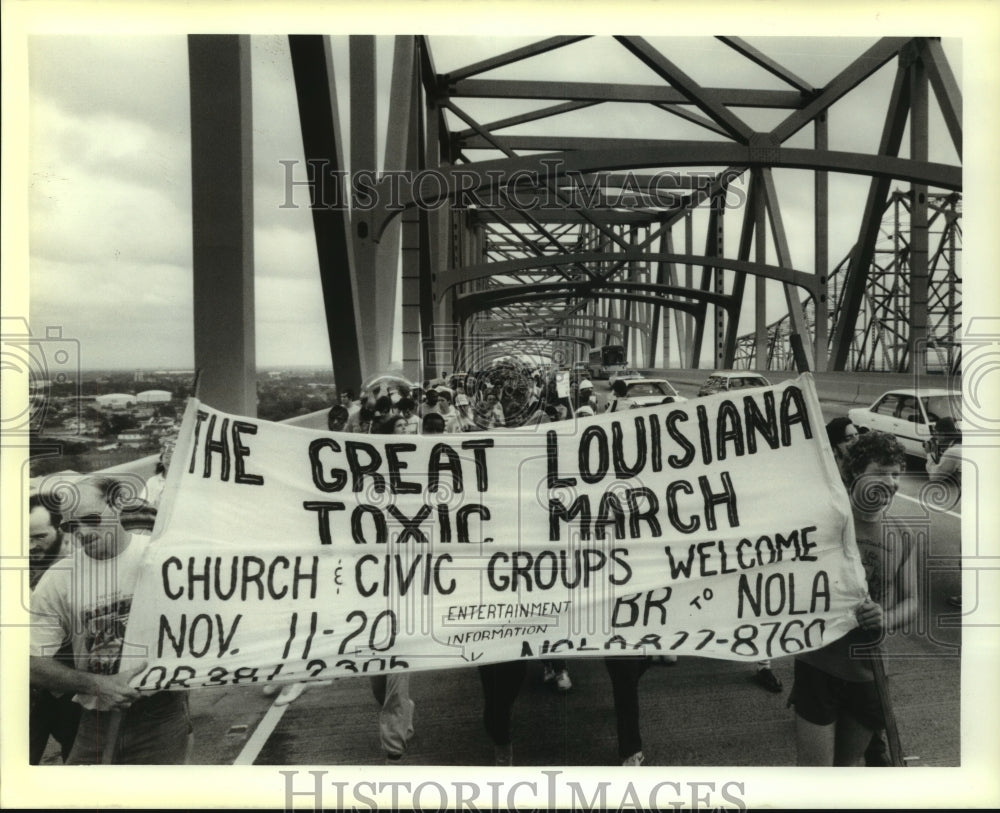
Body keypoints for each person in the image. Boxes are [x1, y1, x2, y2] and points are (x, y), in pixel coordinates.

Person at [30, 476, 192, 764]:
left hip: (160, 711)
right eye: (71, 526)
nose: (82, 531)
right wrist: (96, 684)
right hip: (95, 718)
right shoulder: (58, 579)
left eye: (91, 519)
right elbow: (27, 661)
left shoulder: (162, 557)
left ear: (117, 504)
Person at [790, 431, 917, 766]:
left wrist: (886, 618)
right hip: (818, 664)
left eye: (896, 474)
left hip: (868, 673)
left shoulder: (901, 533)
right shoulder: (823, 524)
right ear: (855, 474)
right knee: (815, 774)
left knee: (846, 769)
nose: (890, 482)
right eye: (881, 471)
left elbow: (912, 602)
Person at [28, 493, 82, 764]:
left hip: (73, 692)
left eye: (39, 536)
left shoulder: (82, 569)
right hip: (29, 693)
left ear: (60, 529)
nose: (30, 545)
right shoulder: (24, 567)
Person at [924, 416, 962, 486]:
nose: (934, 437)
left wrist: (930, 453)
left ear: (943, 434)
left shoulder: (952, 452)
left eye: (935, 433)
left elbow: (934, 477)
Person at [826, 416, 860, 481]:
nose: (856, 441)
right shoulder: (830, 473)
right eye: (848, 438)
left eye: (857, 435)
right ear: (834, 447)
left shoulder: (864, 468)